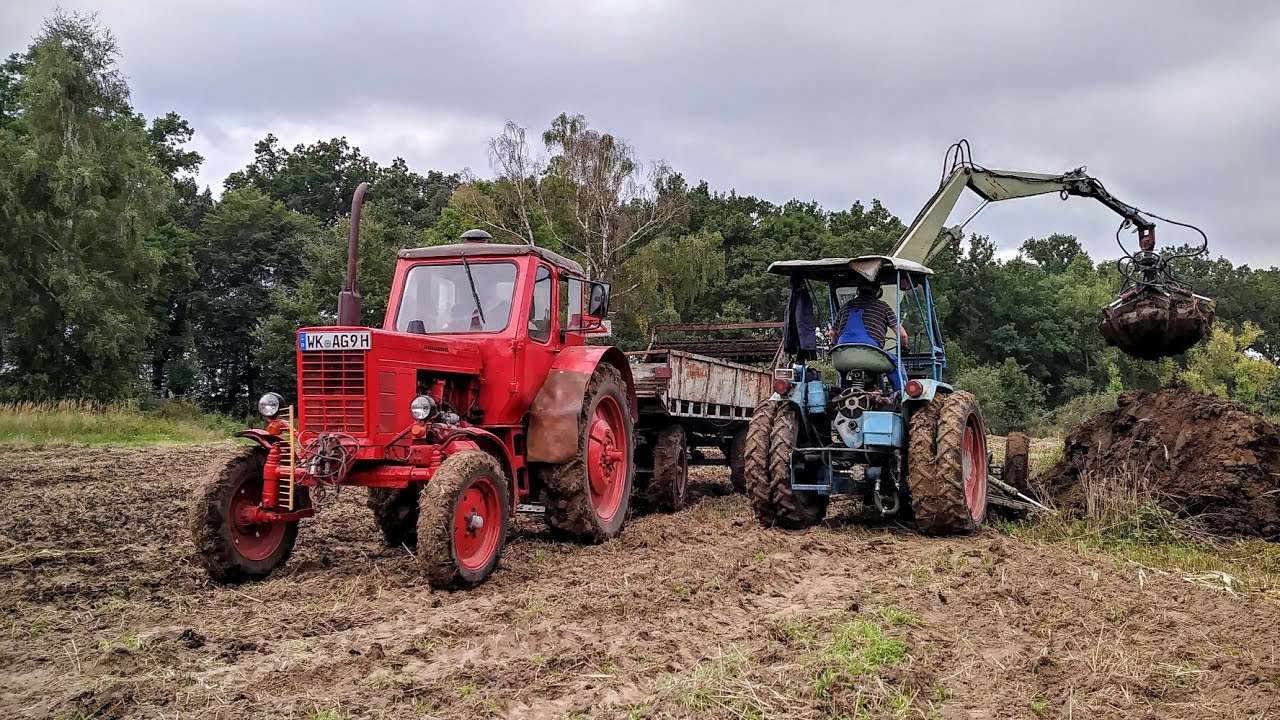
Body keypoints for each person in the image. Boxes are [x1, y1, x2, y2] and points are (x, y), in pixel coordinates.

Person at [830, 283, 909, 393]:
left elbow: (833, 333)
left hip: (843, 356)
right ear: (878, 292)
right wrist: (905, 346)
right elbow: (902, 335)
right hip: (870, 354)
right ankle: (901, 395)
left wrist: (835, 345)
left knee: (845, 369)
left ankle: (844, 392)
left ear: (858, 292)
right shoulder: (883, 306)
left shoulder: (847, 306)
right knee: (896, 363)